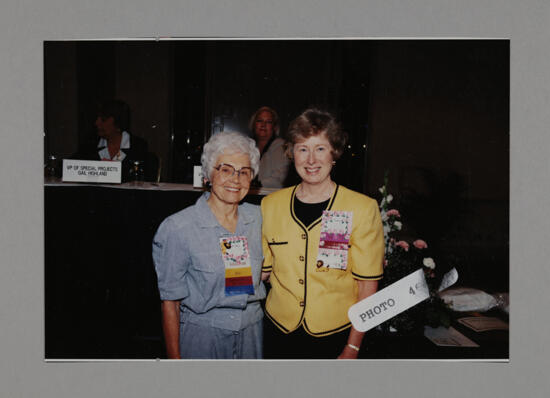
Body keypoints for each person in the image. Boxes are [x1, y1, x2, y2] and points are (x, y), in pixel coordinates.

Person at [260, 108, 384, 359]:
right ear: (291, 154)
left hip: (335, 337)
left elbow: (367, 287)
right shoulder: (270, 205)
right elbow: (261, 272)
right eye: (302, 149)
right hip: (277, 332)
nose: (311, 160)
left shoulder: (361, 208)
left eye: (320, 148)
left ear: (334, 153)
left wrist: (353, 347)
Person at [152, 131, 265, 359]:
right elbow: (170, 304)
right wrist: (175, 365)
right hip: (203, 337)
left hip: (252, 335)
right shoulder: (178, 228)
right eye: (225, 170)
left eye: (244, 172)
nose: (235, 179)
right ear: (208, 175)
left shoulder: (260, 219)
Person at [72, 99, 157, 182]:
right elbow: (69, 168)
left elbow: (146, 181)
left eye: (103, 119)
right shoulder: (90, 146)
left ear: (118, 122)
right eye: (97, 118)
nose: (97, 123)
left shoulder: (138, 146)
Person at [249, 106, 290, 188]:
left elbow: (281, 178)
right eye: (259, 121)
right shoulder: (248, 146)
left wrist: (257, 185)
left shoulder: (281, 146)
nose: (263, 125)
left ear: (274, 127)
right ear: (254, 125)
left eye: (268, 122)